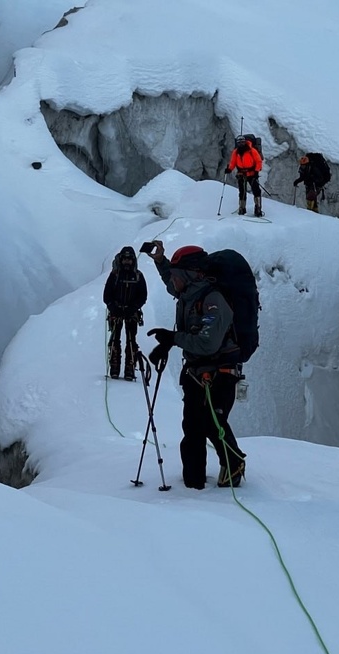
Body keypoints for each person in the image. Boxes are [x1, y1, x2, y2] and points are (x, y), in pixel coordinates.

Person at [144, 241, 247, 490]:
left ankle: (234, 464)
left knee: (212, 423)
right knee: (192, 427)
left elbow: (208, 343)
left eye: (179, 277)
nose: (173, 283)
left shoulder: (213, 300)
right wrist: (161, 261)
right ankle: (193, 484)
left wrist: (173, 338)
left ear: (192, 276)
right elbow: (172, 279)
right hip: (195, 373)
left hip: (219, 374)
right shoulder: (188, 294)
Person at [103, 246, 147, 380]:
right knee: (116, 339)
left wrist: (133, 307)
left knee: (131, 340)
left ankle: (130, 368)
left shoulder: (138, 276)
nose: (127, 261)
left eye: (129, 259)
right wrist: (113, 307)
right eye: (125, 259)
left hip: (131, 312)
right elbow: (107, 295)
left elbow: (143, 296)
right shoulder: (115, 275)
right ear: (121, 259)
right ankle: (115, 368)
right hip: (117, 311)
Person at [224, 135, 264, 217]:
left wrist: (256, 171)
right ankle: (242, 208)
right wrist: (229, 169)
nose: (241, 144)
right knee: (242, 192)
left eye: (242, 142)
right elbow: (233, 162)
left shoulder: (252, 150)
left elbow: (258, 161)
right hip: (241, 174)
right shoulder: (236, 152)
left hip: (252, 174)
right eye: (239, 142)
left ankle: (258, 208)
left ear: (245, 142)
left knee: (256, 191)